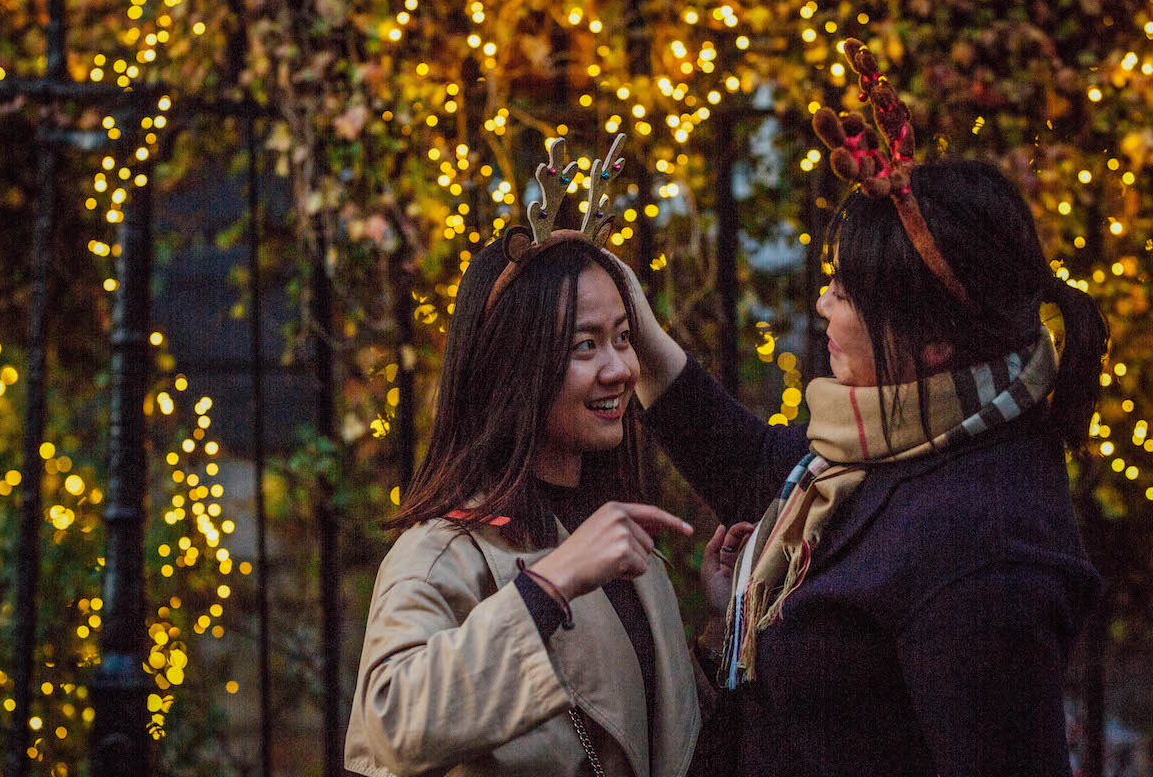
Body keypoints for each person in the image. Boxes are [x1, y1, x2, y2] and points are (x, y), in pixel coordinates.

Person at [619, 40, 1109, 776]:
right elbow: (762, 467)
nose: (822, 306)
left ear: (935, 340)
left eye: (845, 293)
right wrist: (641, 337)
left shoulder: (987, 551)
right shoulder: (907, 439)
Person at [345, 136, 701, 777]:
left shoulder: (626, 551)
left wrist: (716, 643)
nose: (621, 368)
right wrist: (549, 584)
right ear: (518, 367)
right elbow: (390, 724)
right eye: (585, 346)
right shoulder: (442, 555)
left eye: (623, 337)